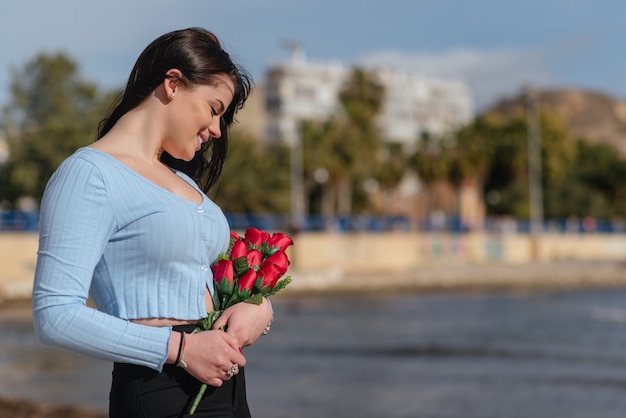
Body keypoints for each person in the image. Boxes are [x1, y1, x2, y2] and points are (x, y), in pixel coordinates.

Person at [32, 27, 273, 418]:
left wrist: (259, 309)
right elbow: (55, 315)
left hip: (226, 387)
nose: (216, 130)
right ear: (173, 84)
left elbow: (211, 277)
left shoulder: (185, 183)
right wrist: (180, 350)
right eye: (214, 109)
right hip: (159, 389)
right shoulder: (90, 174)